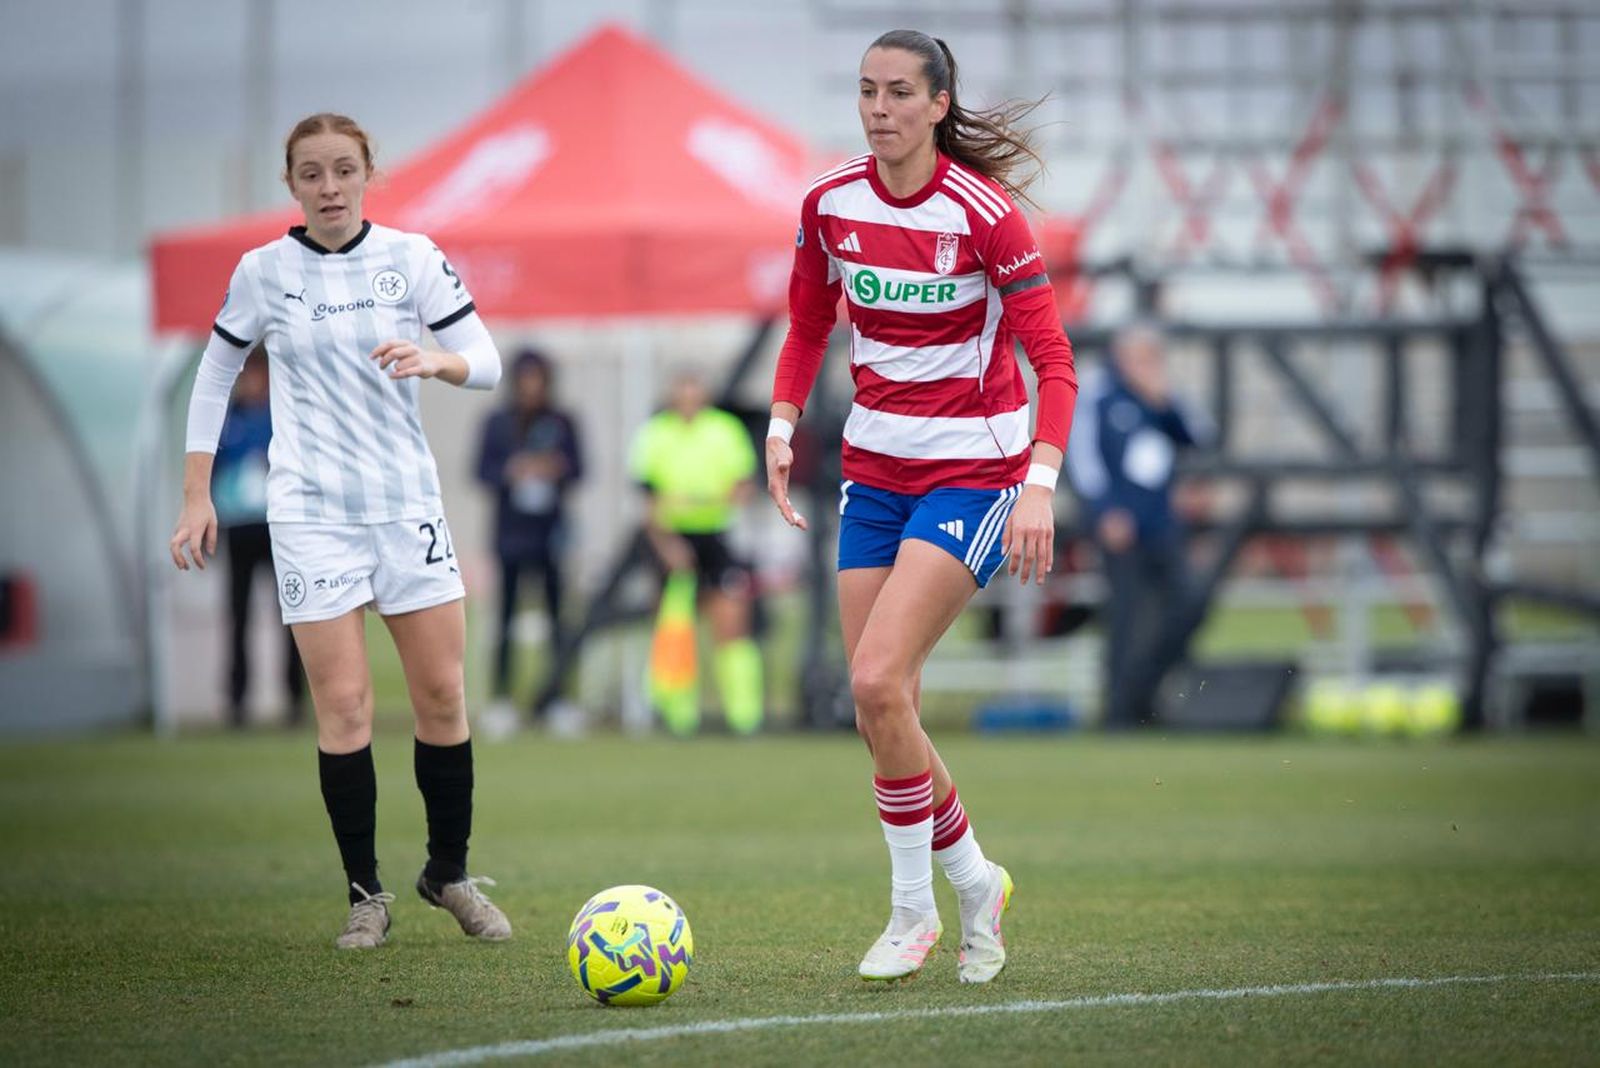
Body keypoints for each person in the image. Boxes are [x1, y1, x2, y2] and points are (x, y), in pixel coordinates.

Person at [766, 30, 1077, 983]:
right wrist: (781, 427)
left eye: (899, 92)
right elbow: (810, 319)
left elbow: (1054, 362)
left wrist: (1039, 485)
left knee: (873, 682)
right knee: (884, 706)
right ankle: (977, 882)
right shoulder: (830, 203)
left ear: (940, 103)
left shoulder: (984, 216)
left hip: (972, 472)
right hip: (874, 471)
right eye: (867, 91)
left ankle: (913, 914)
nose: (879, 108)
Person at [169, 112, 512, 950]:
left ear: (369, 174)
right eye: (312, 173)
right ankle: (366, 894)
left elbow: (489, 361)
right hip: (312, 515)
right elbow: (216, 373)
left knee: (440, 697)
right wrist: (195, 494)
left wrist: (439, 361)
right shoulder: (262, 272)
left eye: (344, 171)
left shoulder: (412, 258)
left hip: (406, 509)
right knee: (347, 708)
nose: (329, 187)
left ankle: (450, 874)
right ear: (291, 183)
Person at [1067, 322, 1211, 729]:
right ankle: (1118, 712)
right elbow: (1083, 456)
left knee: (1188, 603)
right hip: (1120, 524)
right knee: (1125, 615)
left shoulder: (1162, 396)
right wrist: (1104, 509)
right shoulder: (1099, 391)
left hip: (1162, 522)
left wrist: (1165, 400)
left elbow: (1200, 436)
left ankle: (1145, 690)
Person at [630, 369, 763, 736]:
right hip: (671, 538)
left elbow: (744, 485)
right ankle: (678, 715)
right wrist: (667, 544)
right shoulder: (655, 433)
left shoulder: (724, 430)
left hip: (716, 535)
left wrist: (718, 500)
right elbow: (648, 499)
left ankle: (745, 716)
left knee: (731, 622)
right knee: (675, 625)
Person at [474, 348, 583, 733]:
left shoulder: (562, 421)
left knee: (557, 620)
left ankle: (558, 699)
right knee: (504, 621)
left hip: (551, 536)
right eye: (526, 379)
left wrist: (553, 468)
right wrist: (512, 471)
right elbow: (481, 471)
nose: (532, 387)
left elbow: (580, 469)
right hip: (509, 536)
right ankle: (502, 698)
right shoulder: (498, 423)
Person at [212, 351, 307, 728]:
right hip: (238, 527)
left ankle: (294, 699)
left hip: (277, 528)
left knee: (291, 615)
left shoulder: (281, 417)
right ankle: (237, 701)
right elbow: (213, 471)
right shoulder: (227, 420)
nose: (253, 381)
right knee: (237, 617)